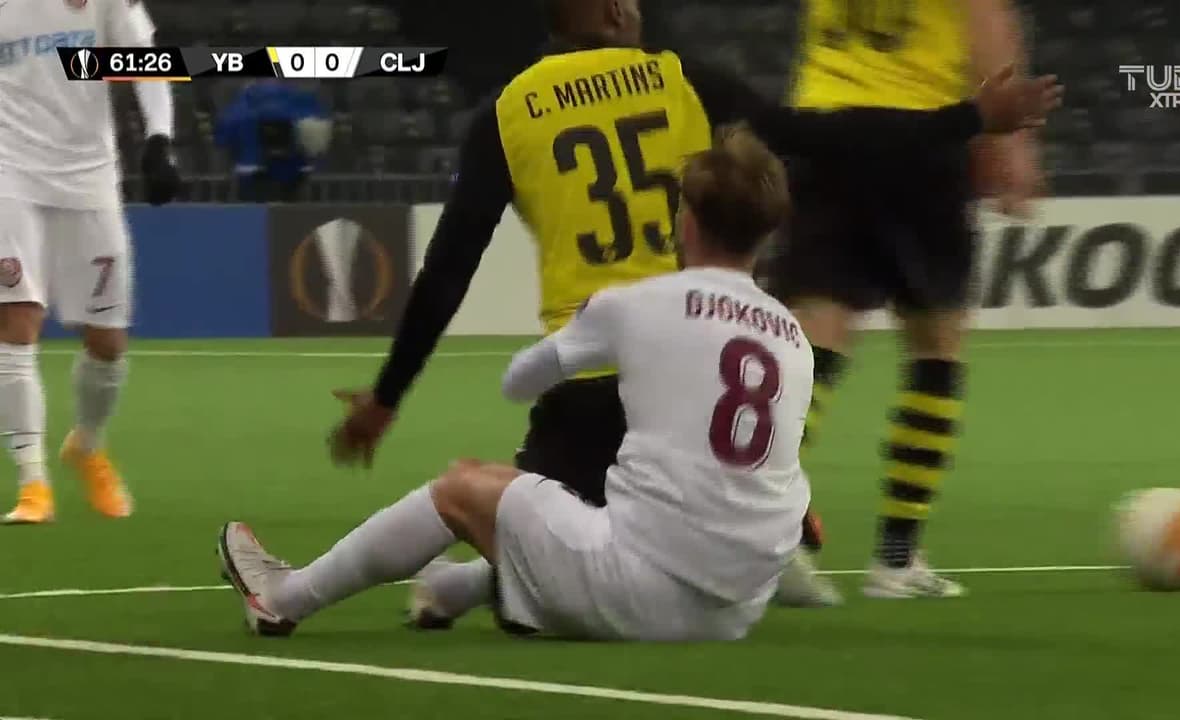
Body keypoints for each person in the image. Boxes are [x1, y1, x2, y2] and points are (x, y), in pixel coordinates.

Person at [327, 0, 1059, 613]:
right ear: (617, 13)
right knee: (631, 557)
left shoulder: (508, 111)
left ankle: (405, 580)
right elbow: (825, 136)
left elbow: (448, 268)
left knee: (557, 526)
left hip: (582, 395)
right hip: (686, 392)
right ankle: (832, 536)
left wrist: (386, 399)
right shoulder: (682, 82)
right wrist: (969, 118)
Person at [219, 125, 820, 640]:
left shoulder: (639, 304)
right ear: (766, 234)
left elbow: (519, 382)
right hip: (736, 611)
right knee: (556, 497)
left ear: (686, 221)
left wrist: (593, 329)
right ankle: (451, 590)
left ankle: (283, 598)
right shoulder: (792, 337)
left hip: (640, 594)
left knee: (462, 489)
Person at [762, 0, 1056, 597]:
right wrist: (1011, 143)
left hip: (824, 125)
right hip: (922, 126)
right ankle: (896, 561)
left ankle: (758, 533)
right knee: (935, 347)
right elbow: (985, 14)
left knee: (810, 345)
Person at [0, 0, 181, 524]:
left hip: (89, 178)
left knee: (107, 341)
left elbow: (146, 59)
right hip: (11, 175)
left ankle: (87, 444)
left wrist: (160, 139)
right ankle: (32, 484)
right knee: (16, 321)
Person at [214, 79, 329, 202]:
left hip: (250, 170)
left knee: (255, 206)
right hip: (294, 171)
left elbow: (223, 141)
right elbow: (318, 136)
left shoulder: (240, 106)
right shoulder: (301, 100)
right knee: (293, 207)